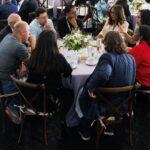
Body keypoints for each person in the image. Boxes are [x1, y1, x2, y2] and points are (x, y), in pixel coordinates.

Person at [77, 31, 136, 140]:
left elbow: (104, 74)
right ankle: (109, 128)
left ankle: (84, 129)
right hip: (124, 103)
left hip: (106, 104)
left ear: (107, 44)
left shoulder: (108, 57)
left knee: (81, 92)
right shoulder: (131, 58)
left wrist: (91, 88)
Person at [27, 30, 73, 120]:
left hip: (32, 96)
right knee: (70, 93)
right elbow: (68, 72)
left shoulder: (34, 54)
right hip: (50, 97)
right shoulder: (58, 57)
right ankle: (64, 118)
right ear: (54, 43)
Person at [0, 21, 30, 124]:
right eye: (28, 31)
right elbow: (32, 65)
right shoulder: (19, 46)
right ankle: (13, 106)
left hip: (1, 78)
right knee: (31, 84)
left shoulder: (8, 36)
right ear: (22, 32)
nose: (29, 34)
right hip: (6, 83)